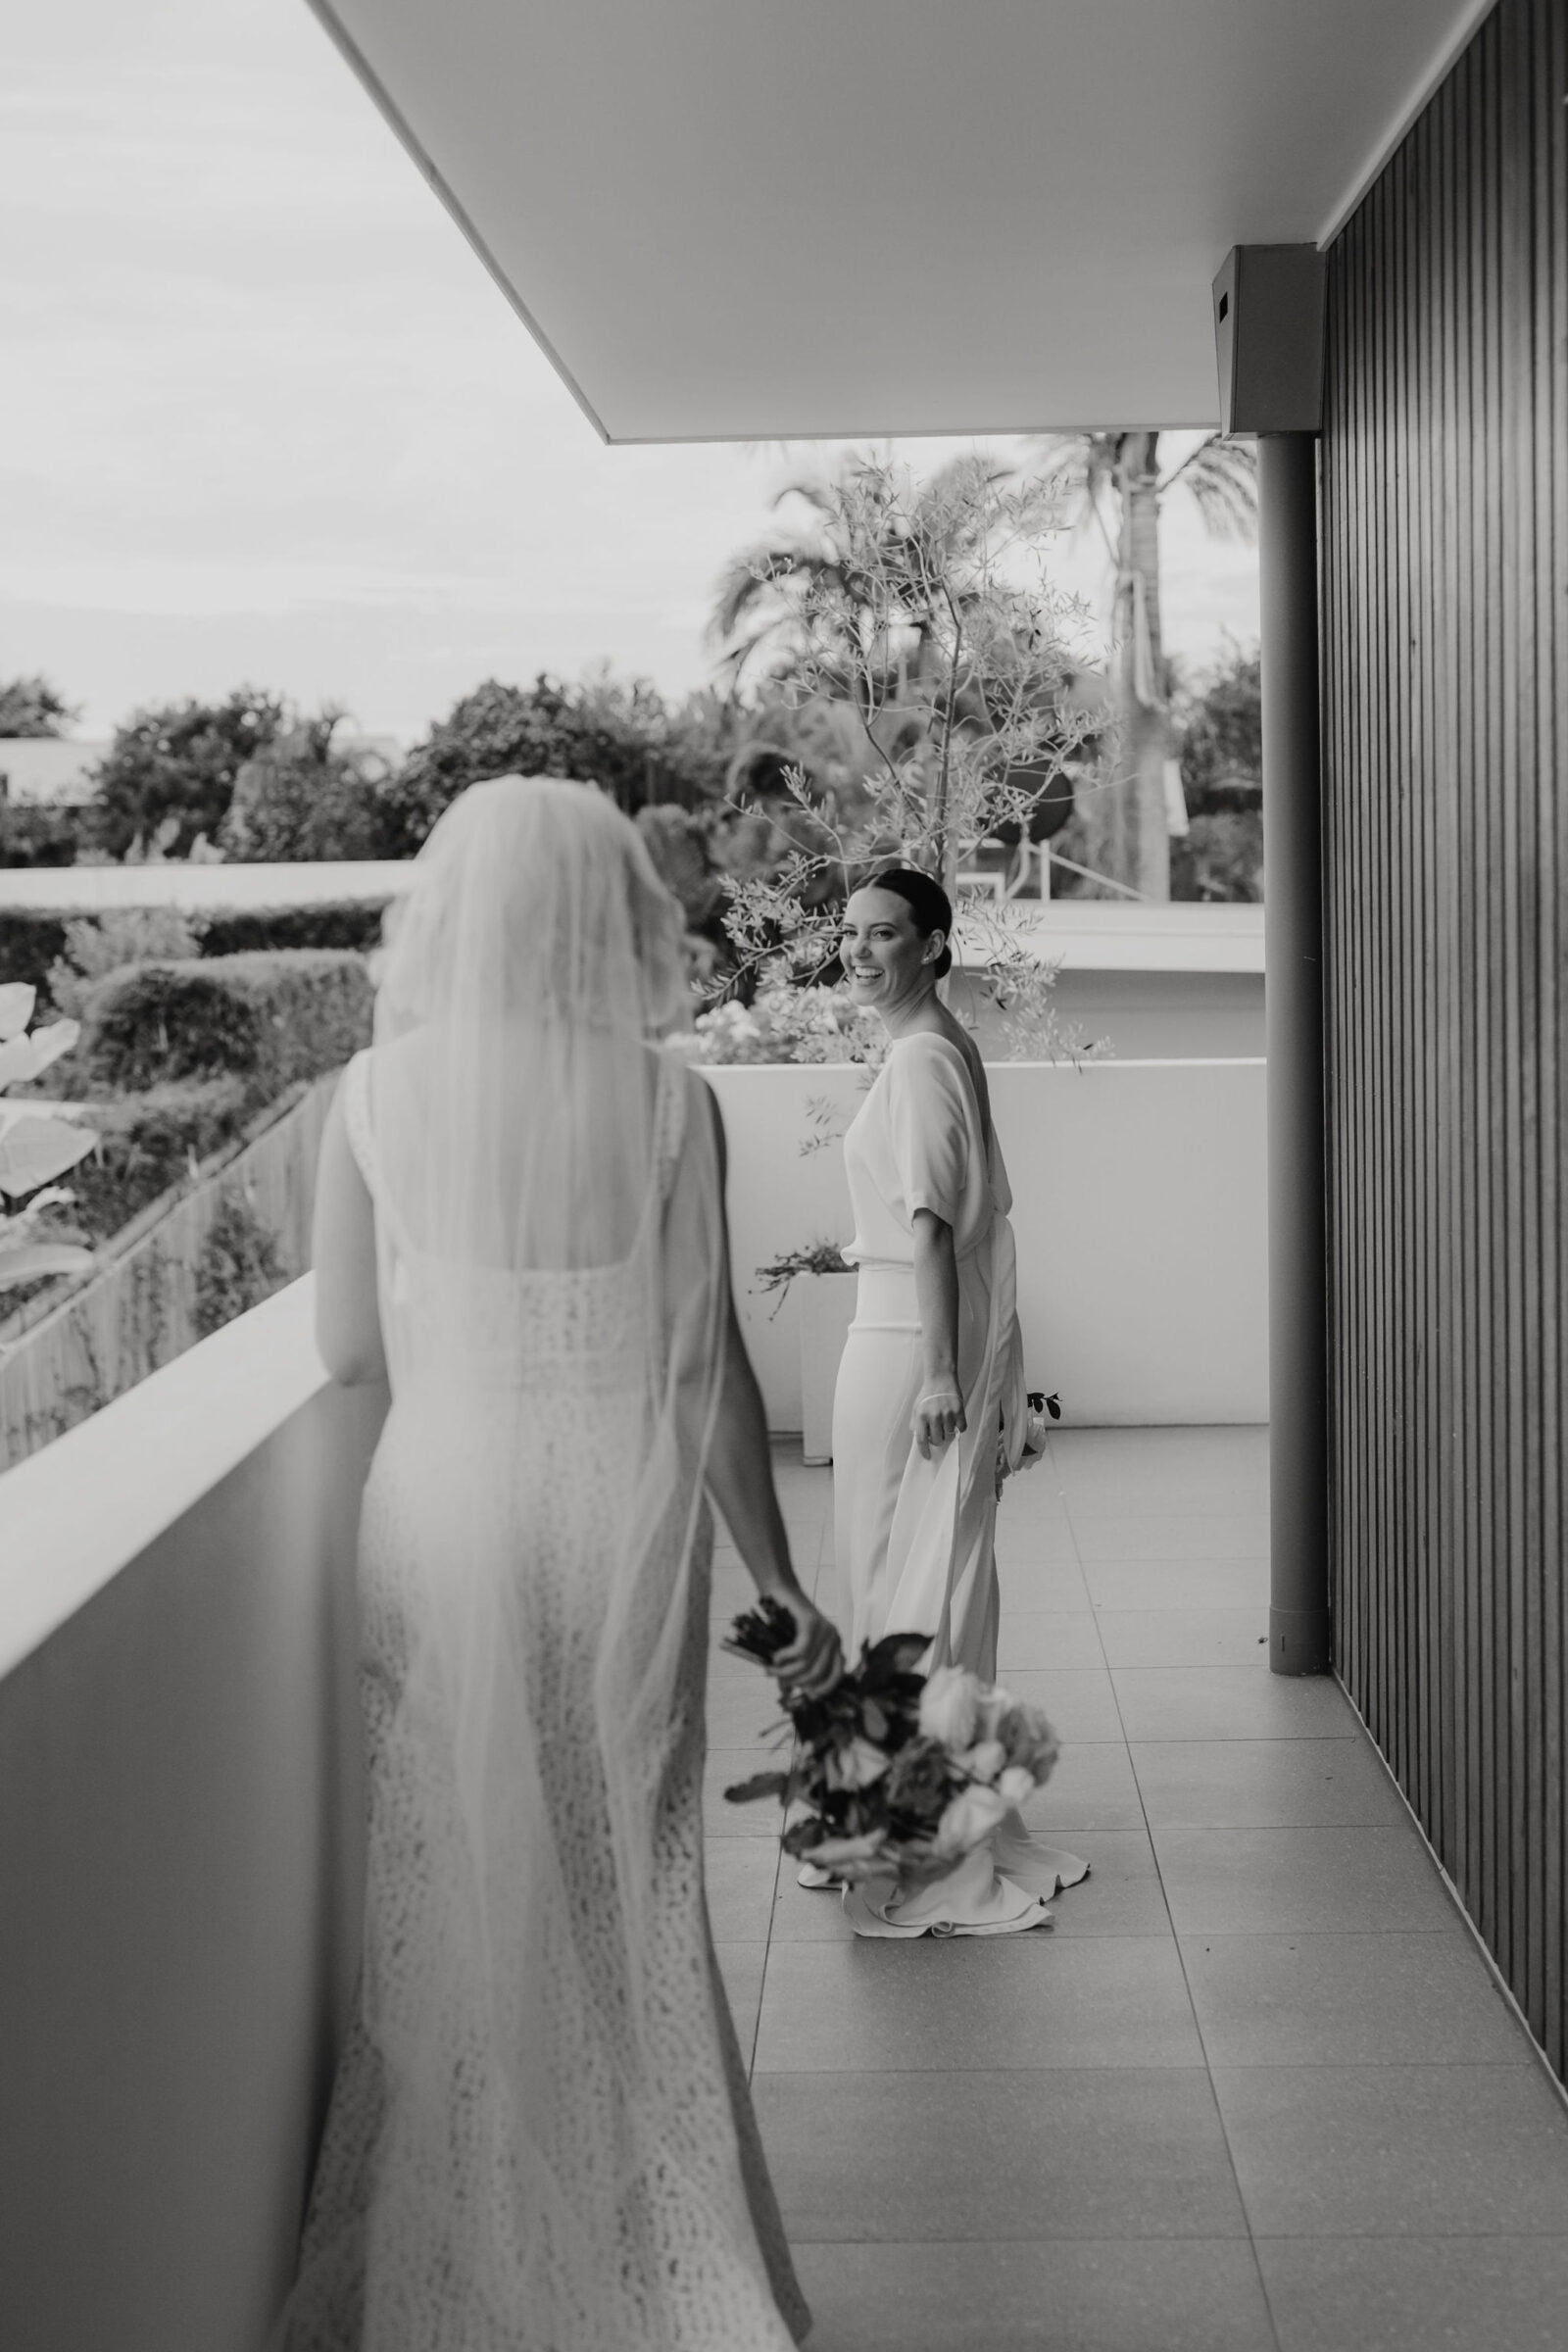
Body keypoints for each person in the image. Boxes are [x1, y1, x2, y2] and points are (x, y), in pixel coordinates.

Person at [277, 775, 840, 2351]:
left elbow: (343, 1353)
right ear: (609, 918)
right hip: (614, 1510)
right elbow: (700, 1366)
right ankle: (651, 2245)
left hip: (444, 1502)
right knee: (625, 1875)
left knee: (447, 1865)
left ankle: (466, 2244)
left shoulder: (370, 1096)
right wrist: (781, 1579)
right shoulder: (667, 1101)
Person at [821, 866, 1088, 1937]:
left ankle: (918, 1837)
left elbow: (931, 1226)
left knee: (906, 1589)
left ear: (933, 944)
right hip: (906, 1331)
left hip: (903, 1348)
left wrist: (939, 1373)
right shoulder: (935, 1044)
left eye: (883, 933)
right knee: (911, 1576)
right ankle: (890, 1813)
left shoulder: (922, 1056)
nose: (858, 950)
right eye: (850, 932)